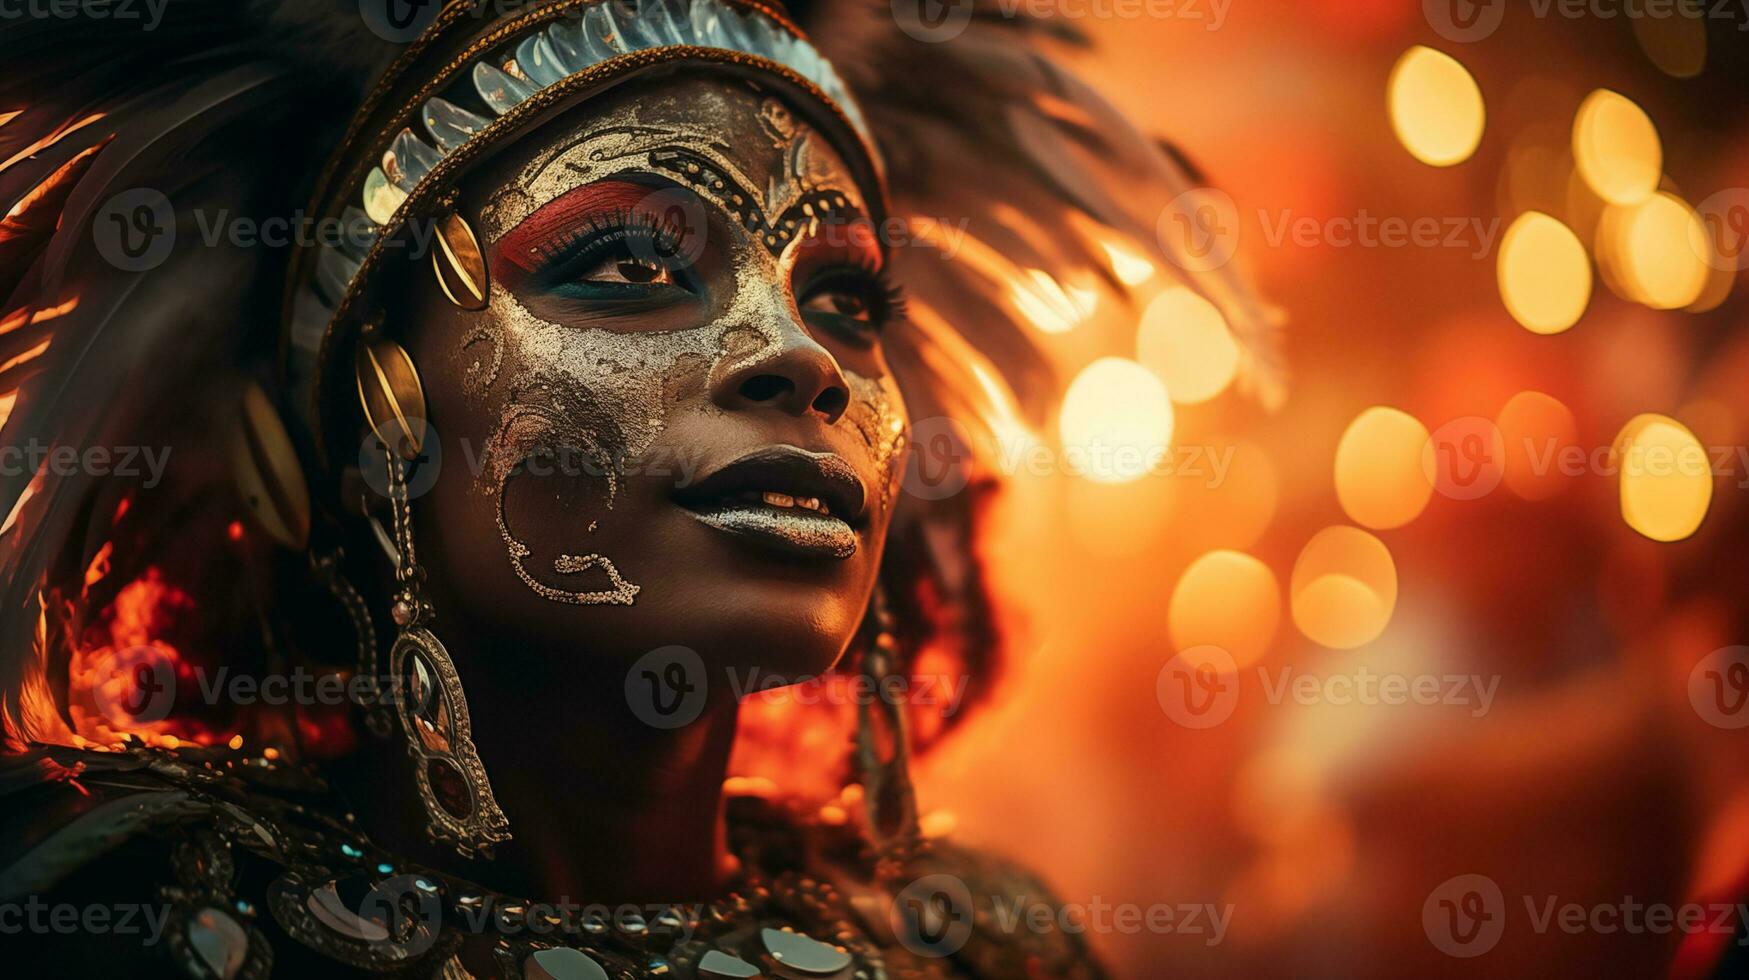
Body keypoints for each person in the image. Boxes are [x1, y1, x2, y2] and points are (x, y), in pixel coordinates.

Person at [0, 2, 1271, 976]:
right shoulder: (115, 913)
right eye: (626, 265)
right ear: (352, 423)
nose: (805, 356)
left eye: (847, 298)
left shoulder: (978, 947)